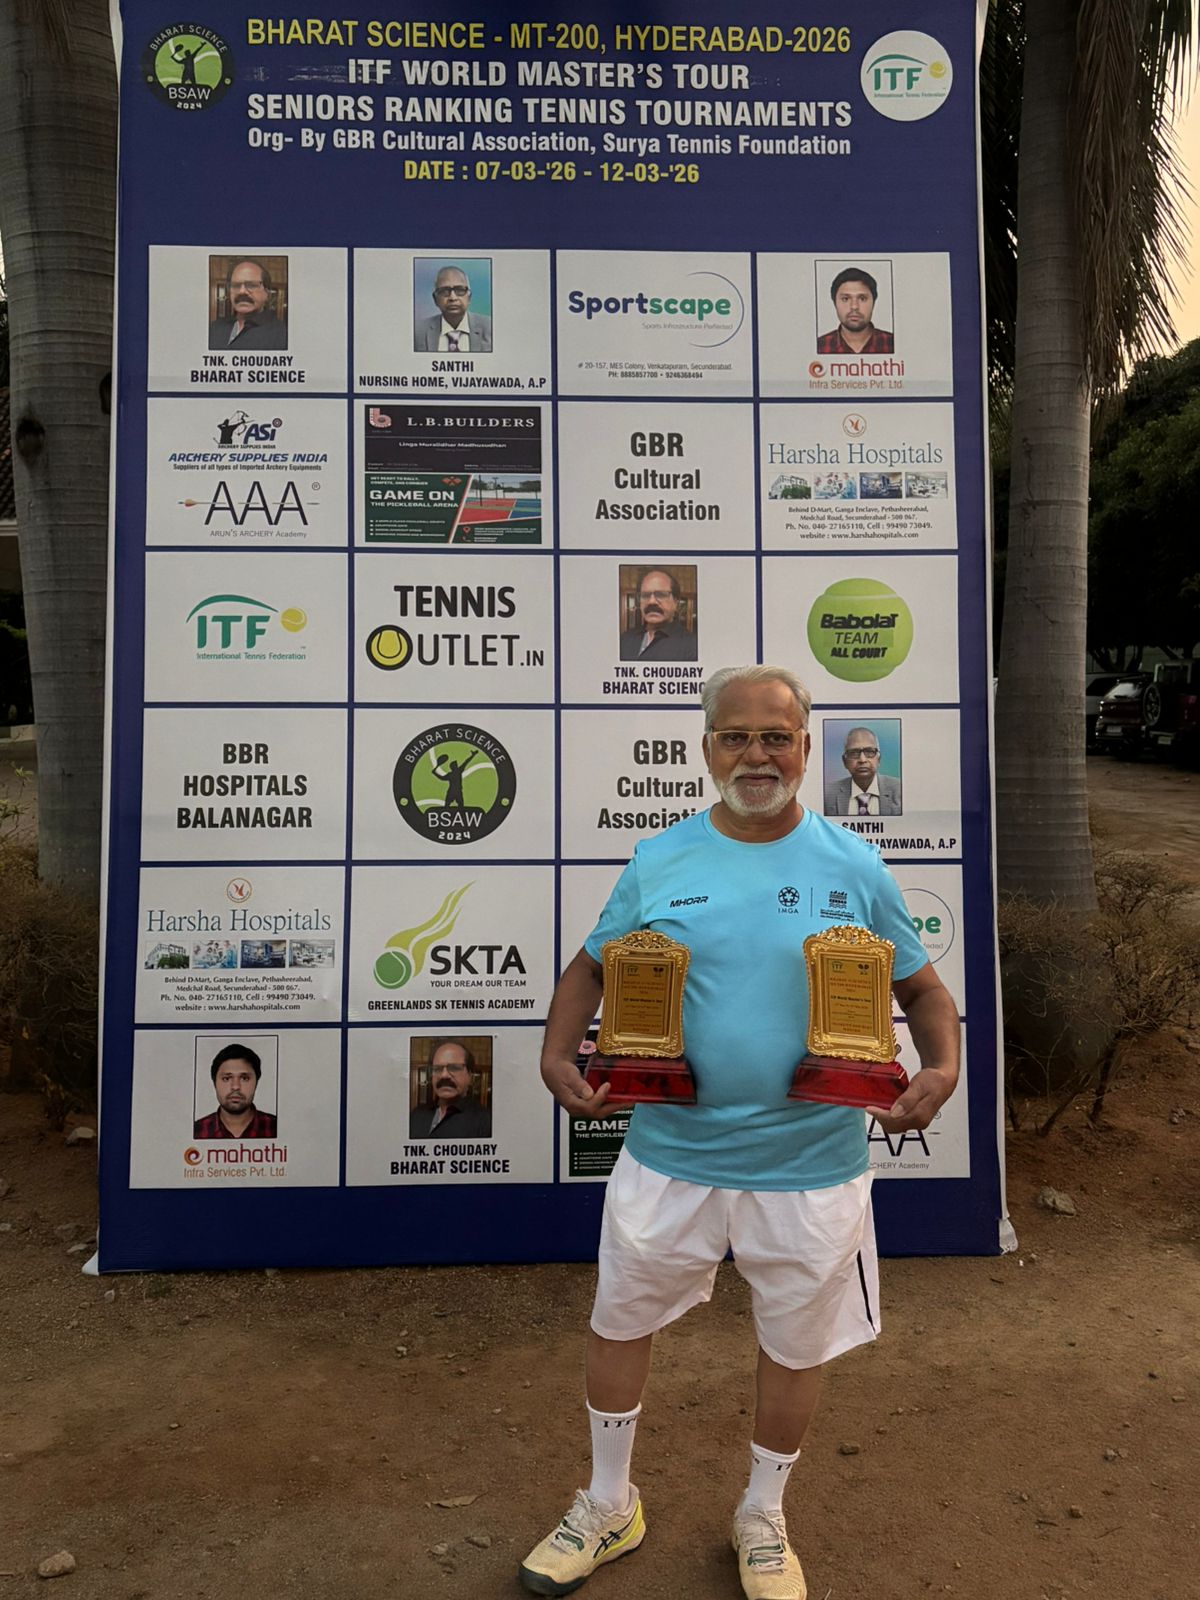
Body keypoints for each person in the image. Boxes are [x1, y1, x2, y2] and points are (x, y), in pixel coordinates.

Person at [520, 665, 959, 1600]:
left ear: (804, 748)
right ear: (707, 747)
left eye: (775, 737)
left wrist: (944, 1066)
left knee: (795, 1345)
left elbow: (921, 989)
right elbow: (591, 969)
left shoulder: (854, 864)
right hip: (671, 1156)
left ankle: (763, 1513)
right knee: (619, 1322)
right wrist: (557, 1054)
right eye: (736, 737)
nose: (756, 756)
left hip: (810, 1164)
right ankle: (608, 1502)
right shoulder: (660, 859)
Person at [409, 1040, 493, 1139]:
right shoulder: (416, 1114)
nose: (444, 1075)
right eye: (437, 1068)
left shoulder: (486, 1121)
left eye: (454, 1068)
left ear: (470, 1076)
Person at [193, 1044, 278, 1139]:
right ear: (214, 1083)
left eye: (244, 1078)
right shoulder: (195, 1131)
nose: (236, 1086)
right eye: (226, 1078)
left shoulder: (278, 1127)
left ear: (256, 1082)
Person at [618, 568, 698, 662]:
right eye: (645, 595)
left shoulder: (692, 647)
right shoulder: (625, 639)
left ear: (676, 602)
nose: (651, 601)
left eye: (661, 594)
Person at [208, 259, 287, 351]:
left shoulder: (282, 335)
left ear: (266, 293)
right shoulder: (215, 328)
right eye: (236, 285)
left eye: (252, 285)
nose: (242, 291)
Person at [824, 726, 902, 817]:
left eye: (869, 752)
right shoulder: (827, 794)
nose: (862, 760)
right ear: (844, 761)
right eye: (854, 753)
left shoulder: (900, 790)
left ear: (879, 759)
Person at [414, 265, 494, 353]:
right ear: (435, 299)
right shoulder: (417, 331)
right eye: (445, 291)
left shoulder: (491, 327)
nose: (453, 298)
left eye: (460, 290)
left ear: (469, 297)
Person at [816, 268, 894, 355]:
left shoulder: (894, 343)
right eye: (845, 299)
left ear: (873, 302)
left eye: (862, 299)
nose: (854, 306)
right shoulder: (819, 346)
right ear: (835, 303)